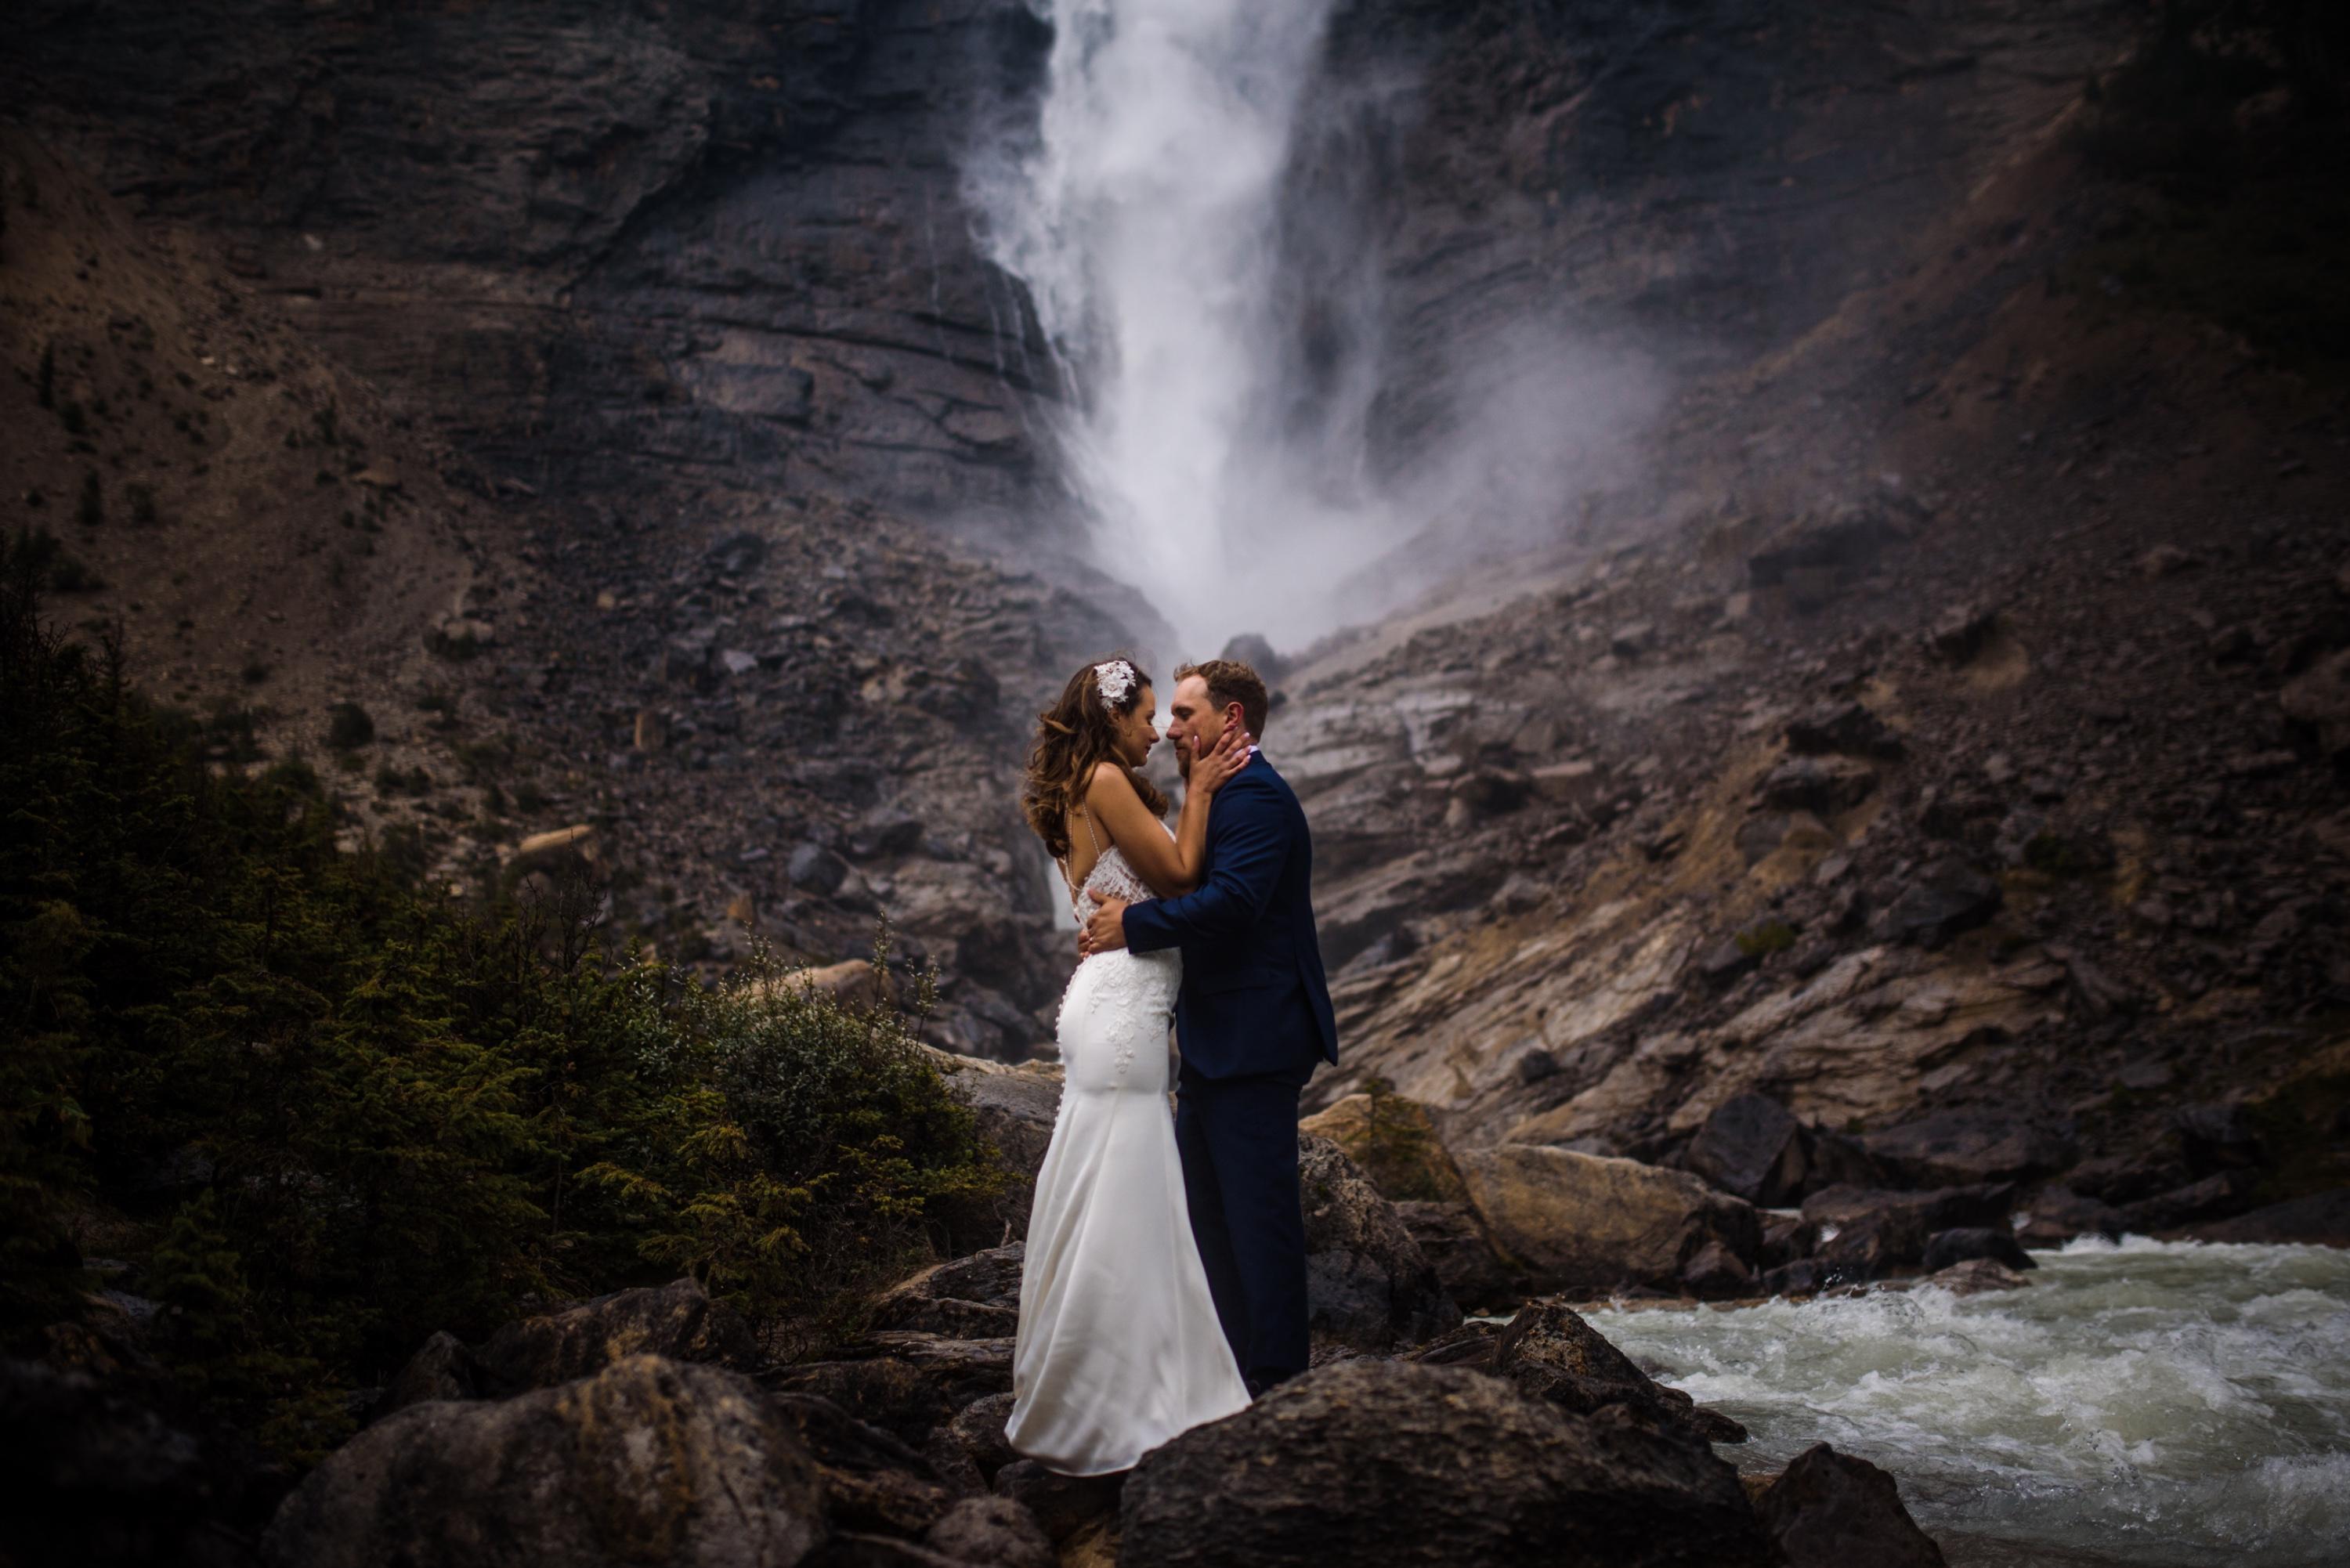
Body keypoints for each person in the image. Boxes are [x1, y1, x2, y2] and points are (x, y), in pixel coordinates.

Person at [1004, 655, 1253, 1475]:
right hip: (1123, 1012)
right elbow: (1180, 876)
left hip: (1104, 1001)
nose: (1156, 730)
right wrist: (1206, 790)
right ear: (1111, 716)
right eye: (1146, 715)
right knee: (1128, 1196)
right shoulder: (1108, 778)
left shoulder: (1078, 786)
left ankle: (1089, 1386)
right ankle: (1121, 1403)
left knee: (1102, 1187)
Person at [1079, 658, 1338, 1396]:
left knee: (1260, 1228)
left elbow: (1231, 905)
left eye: (1185, 715)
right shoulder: (1219, 791)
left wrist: (1132, 924)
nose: (1168, 730)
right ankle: (1230, 1382)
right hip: (1217, 1044)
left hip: (1257, 1040)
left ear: (1231, 720)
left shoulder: (1255, 796)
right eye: (1167, 716)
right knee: (1212, 1227)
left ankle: (1279, 1390)